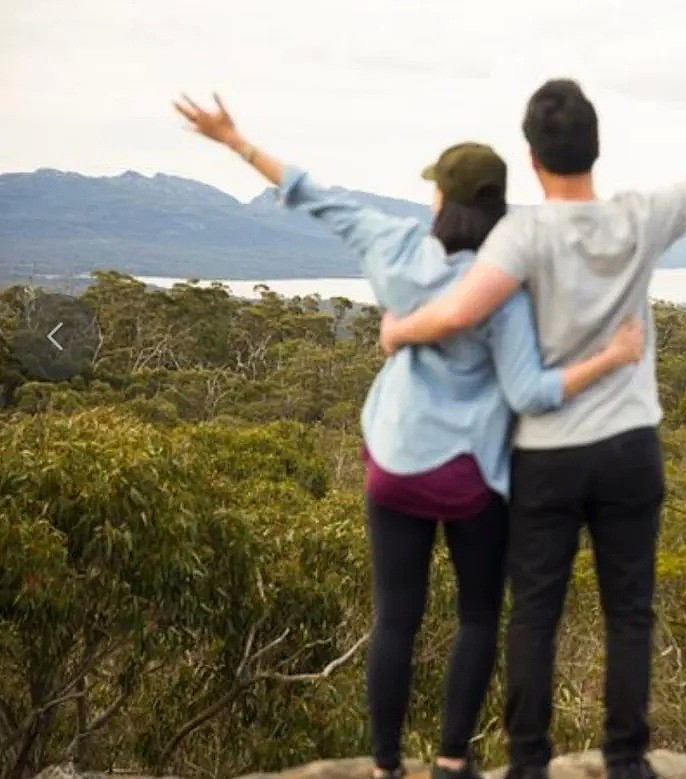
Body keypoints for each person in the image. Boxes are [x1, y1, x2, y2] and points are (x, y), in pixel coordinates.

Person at [378, 72, 686, 779]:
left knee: (534, 612)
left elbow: (457, 313)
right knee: (628, 609)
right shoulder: (640, 217)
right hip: (631, 446)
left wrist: (398, 332)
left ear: (533, 158)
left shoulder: (519, 236)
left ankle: (528, 763)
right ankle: (627, 759)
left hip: (546, 454)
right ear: (595, 150)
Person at [173, 95, 646, 779]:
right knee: (479, 616)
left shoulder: (390, 244)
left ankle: (386, 766)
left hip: (394, 463)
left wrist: (234, 140)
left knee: (395, 617)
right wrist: (611, 357)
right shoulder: (506, 289)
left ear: (440, 197)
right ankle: (453, 760)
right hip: (472, 476)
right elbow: (531, 394)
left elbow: (310, 192)